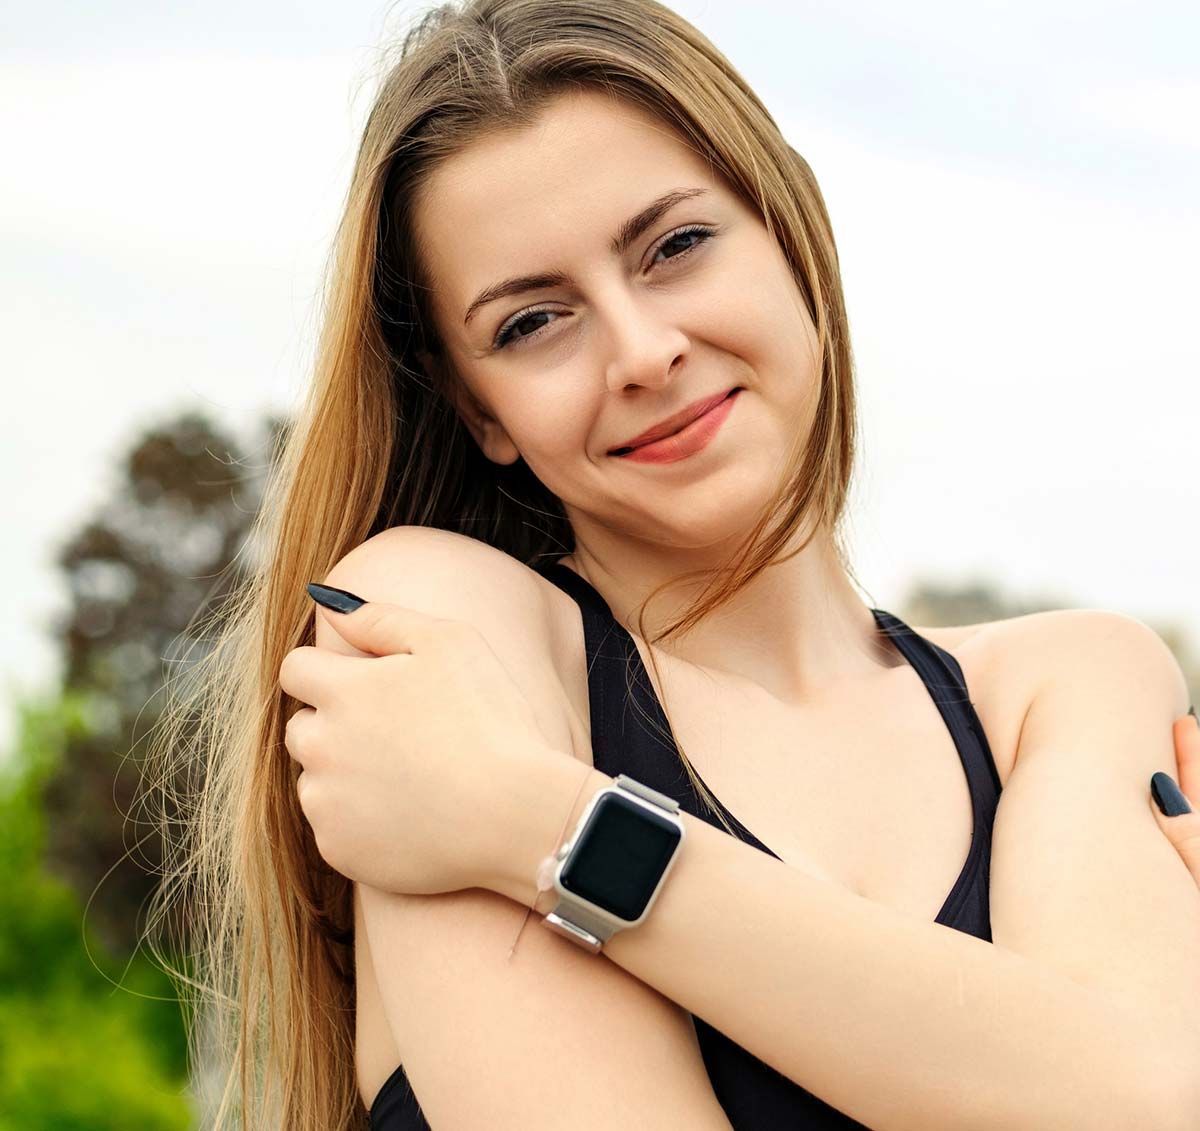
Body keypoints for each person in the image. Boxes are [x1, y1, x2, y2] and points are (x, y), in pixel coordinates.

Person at [138, 2, 1200, 1128]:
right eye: (534, 322)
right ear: (477, 409)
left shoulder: (1069, 682)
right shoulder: (440, 627)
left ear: (791, 231)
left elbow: (1138, 1101)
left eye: (677, 247)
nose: (643, 353)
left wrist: (537, 825)